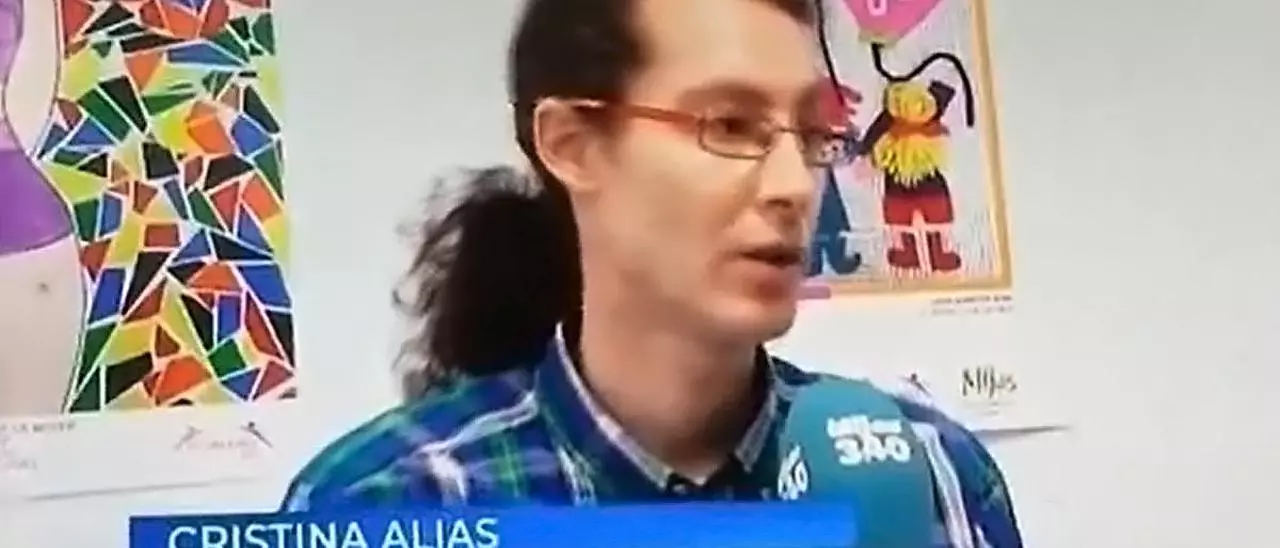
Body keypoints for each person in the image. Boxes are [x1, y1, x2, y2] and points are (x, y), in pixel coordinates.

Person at [282, 0, 1022, 545]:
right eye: (730, 125)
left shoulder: (936, 472)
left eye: (812, 134)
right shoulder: (385, 504)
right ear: (572, 144)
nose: (795, 186)